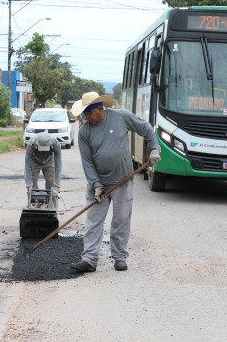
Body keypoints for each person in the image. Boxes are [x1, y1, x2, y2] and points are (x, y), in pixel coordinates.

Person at [69, 91, 161, 272]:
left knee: (121, 220)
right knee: (94, 222)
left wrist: (154, 148)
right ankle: (89, 259)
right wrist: (96, 185)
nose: (86, 117)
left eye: (88, 113)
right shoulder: (84, 131)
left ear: (99, 109)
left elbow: (146, 128)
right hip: (99, 184)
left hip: (122, 181)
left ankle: (119, 257)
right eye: (84, 114)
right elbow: (87, 162)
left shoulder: (121, 117)